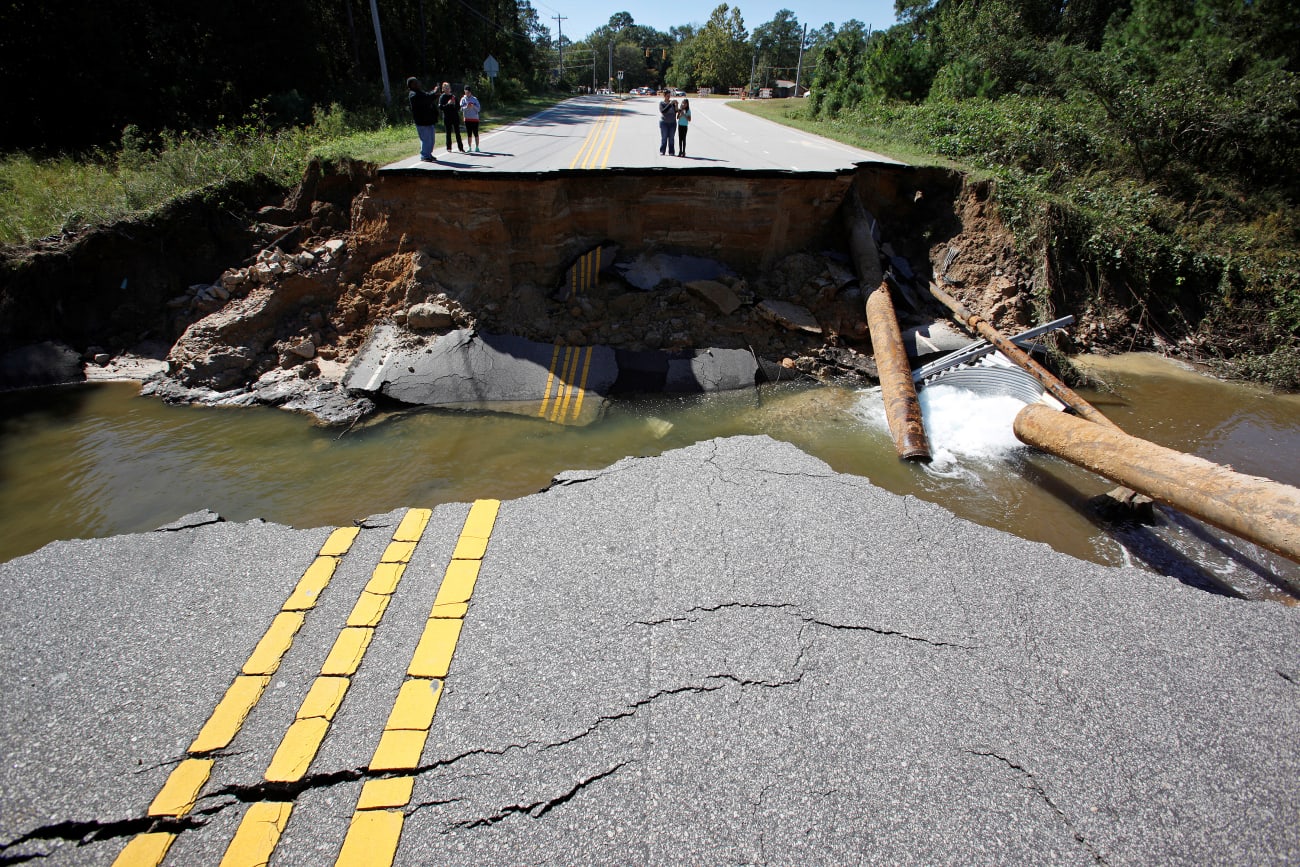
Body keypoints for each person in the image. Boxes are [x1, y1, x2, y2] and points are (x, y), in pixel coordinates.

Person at [406, 77, 439, 162]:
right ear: (412, 85)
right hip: (422, 121)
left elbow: (427, 97)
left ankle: (428, 154)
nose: (418, 83)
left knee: (431, 139)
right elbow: (425, 98)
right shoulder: (413, 94)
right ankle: (424, 156)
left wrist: (435, 95)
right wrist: (434, 92)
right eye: (416, 82)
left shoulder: (420, 92)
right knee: (426, 139)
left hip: (429, 120)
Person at [438, 82, 464, 153]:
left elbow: (458, 107)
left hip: (455, 117)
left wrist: (454, 104)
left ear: (450, 88)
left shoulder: (454, 97)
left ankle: (461, 148)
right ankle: (449, 147)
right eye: (445, 88)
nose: (447, 89)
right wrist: (448, 104)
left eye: (448, 88)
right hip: (447, 117)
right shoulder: (442, 97)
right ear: (443, 89)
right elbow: (441, 107)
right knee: (448, 133)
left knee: (457, 132)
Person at [460, 86, 482, 153]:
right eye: (466, 92)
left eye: (468, 92)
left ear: (470, 92)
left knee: (476, 133)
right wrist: (467, 107)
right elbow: (461, 109)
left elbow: (478, 109)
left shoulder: (474, 99)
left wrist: (473, 106)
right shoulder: (463, 99)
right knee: (469, 134)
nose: (467, 93)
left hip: (475, 119)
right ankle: (469, 147)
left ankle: (477, 147)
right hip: (467, 119)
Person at [657, 90, 677, 156]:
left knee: (671, 138)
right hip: (664, 123)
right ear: (664, 96)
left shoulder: (672, 103)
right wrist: (670, 104)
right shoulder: (662, 103)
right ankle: (662, 151)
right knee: (664, 137)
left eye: (669, 96)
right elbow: (663, 111)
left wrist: (676, 105)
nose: (668, 97)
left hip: (673, 123)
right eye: (667, 96)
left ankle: (671, 151)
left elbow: (676, 111)